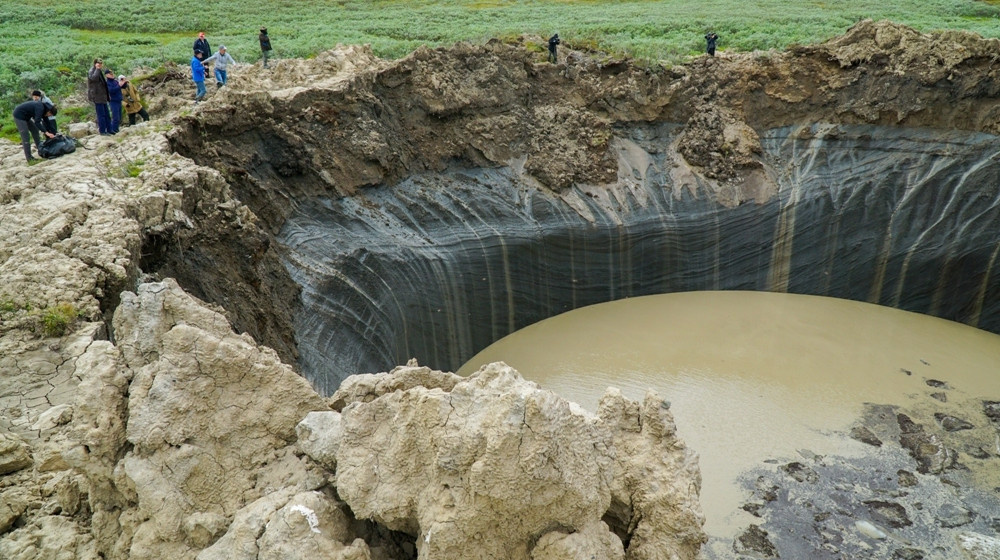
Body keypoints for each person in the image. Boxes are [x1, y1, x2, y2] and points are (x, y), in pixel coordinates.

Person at [87, 58, 112, 135]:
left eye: (101, 64)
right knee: (101, 115)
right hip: (97, 96)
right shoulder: (92, 71)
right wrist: (97, 69)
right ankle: (102, 131)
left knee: (107, 115)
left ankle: (109, 130)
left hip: (103, 96)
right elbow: (94, 78)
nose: (100, 65)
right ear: (95, 63)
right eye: (98, 63)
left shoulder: (99, 71)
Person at [105, 69, 123, 133]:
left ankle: (116, 129)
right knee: (116, 117)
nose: (112, 74)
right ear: (107, 75)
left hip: (118, 100)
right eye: (110, 74)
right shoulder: (107, 83)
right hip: (113, 101)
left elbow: (120, 87)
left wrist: (123, 83)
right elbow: (111, 91)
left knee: (119, 117)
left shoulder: (115, 81)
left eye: (112, 73)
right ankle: (112, 130)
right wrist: (119, 86)